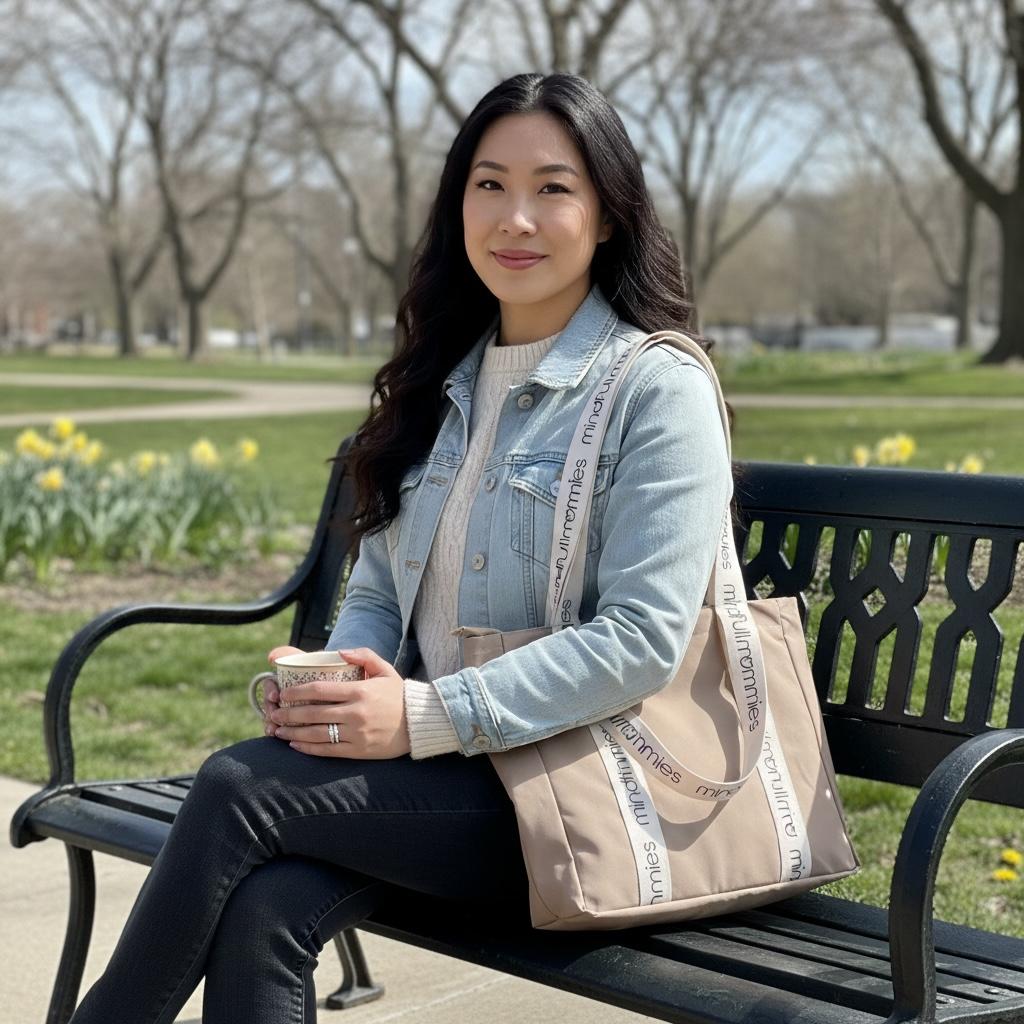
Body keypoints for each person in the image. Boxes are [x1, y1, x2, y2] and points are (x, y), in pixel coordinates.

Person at [68, 71, 736, 1023]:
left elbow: (639, 640)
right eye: (489, 184)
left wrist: (421, 717)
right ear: (458, 205)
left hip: (590, 798)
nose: (517, 217)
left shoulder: (654, 388)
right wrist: (336, 688)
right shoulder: (444, 384)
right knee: (267, 901)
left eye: (554, 187)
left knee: (237, 789)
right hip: (455, 783)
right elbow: (382, 587)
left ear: (608, 215)